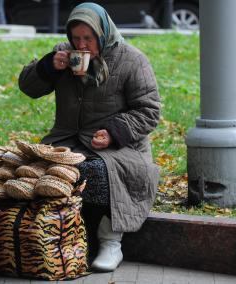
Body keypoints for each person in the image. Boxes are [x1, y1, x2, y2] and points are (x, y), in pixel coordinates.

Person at [18, 2, 161, 272]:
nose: (81, 45)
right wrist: (48, 66)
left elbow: (149, 110)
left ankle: (110, 241)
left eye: (88, 38)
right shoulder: (63, 55)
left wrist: (113, 133)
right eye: (76, 38)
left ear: (103, 33)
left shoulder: (131, 59)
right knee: (37, 170)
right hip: (66, 140)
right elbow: (27, 87)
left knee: (94, 171)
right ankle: (59, 237)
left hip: (119, 148)